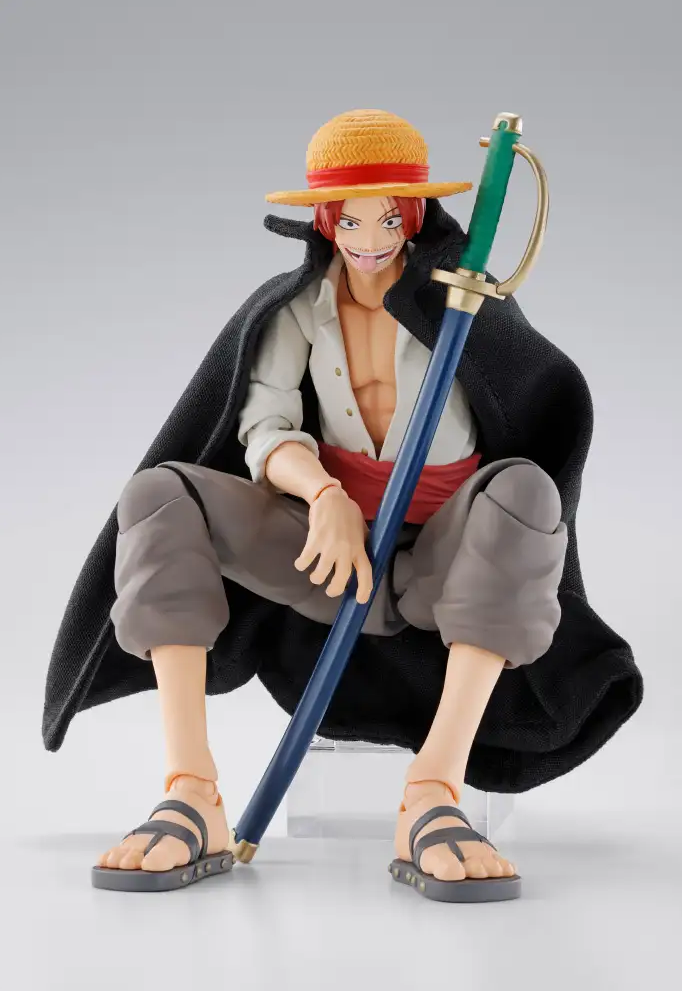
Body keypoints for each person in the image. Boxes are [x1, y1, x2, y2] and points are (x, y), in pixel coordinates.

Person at [44, 109, 642, 899]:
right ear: (323, 219)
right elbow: (263, 423)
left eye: (389, 217)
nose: (369, 238)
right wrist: (322, 493)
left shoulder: (463, 304)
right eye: (350, 219)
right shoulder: (296, 308)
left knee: (526, 490)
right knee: (159, 496)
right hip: (325, 554)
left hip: (442, 558)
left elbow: (533, 407)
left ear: (416, 215)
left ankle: (433, 794)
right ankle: (193, 791)